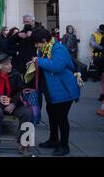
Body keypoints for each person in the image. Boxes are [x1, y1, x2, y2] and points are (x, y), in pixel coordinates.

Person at [31, 27, 80, 156]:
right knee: (52, 116)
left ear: (43, 40)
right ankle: (53, 140)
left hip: (63, 90)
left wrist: (38, 61)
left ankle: (64, 145)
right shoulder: (45, 48)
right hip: (51, 90)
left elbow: (57, 66)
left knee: (61, 118)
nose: (36, 46)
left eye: (37, 43)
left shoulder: (59, 48)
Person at [0, 53, 33, 157]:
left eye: (10, 63)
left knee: (27, 112)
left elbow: (20, 90)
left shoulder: (15, 74)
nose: (10, 66)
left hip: (13, 103)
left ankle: (24, 144)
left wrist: (13, 103)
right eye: (7, 64)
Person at [90, 24, 104, 99]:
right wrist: (100, 47)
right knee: (96, 68)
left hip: (101, 55)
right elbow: (92, 43)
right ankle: (95, 77)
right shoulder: (94, 34)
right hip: (97, 54)